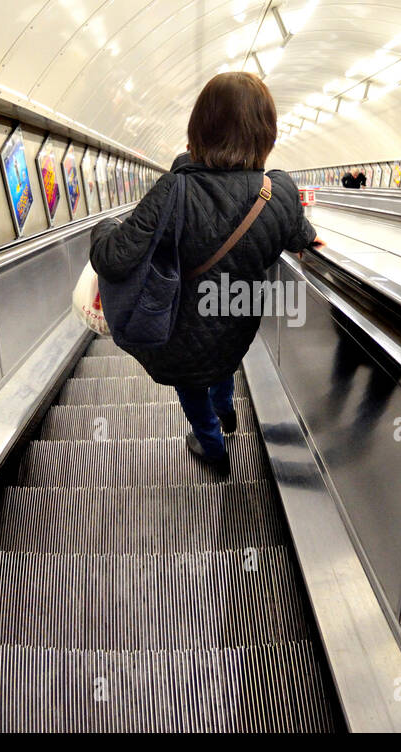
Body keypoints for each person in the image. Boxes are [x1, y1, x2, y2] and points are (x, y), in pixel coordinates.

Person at [90, 72, 318, 474]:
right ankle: (227, 410)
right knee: (221, 362)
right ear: (267, 134)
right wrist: (313, 242)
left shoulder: (175, 191)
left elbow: (112, 258)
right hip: (237, 325)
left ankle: (212, 445)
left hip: (180, 329)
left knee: (191, 380)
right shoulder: (278, 192)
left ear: (199, 127)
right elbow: (300, 235)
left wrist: (104, 226)